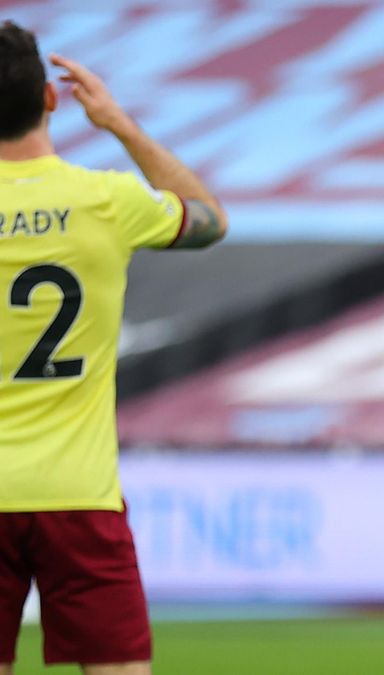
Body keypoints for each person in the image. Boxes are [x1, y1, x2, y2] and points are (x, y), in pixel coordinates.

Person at [0, 21, 227, 675]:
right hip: (80, 493)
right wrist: (119, 125)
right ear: (51, 97)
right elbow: (207, 216)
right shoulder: (107, 199)